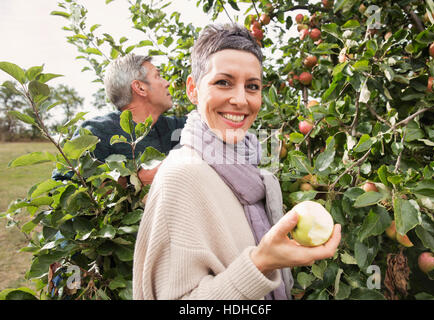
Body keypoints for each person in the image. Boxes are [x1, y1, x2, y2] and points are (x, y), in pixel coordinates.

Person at [132, 23, 341, 300]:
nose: (240, 100)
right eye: (223, 82)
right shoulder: (181, 176)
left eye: (252, 87)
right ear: (193, 89)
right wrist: (261, 263)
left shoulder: (254, 166)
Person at [52, 53, 186, 185]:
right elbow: (60, 191)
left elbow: (204, 117)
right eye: (158, 76)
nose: (167, 83)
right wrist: (131, 182)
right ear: (140, 88)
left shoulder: (172, 127)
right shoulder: (95, 134)